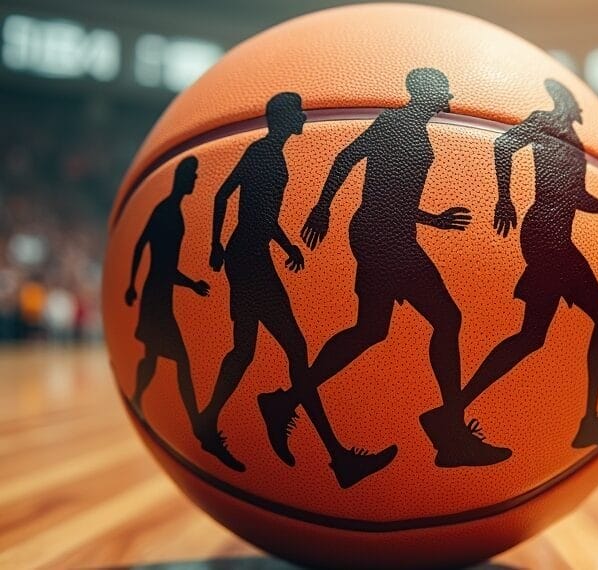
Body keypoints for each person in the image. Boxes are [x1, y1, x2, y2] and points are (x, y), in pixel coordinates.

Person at [259, 68, 511, 482]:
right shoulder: (397, 123)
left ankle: (285, 401)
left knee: (373, 329)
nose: (449, 93)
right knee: (443, 320)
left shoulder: (411, 127)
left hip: (389, 232)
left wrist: (433, 218)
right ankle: (449, 431)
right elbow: (347, 159)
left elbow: (390, 192)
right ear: (425, 92)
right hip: (383, 236)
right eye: (441, 87)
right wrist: (323, 206)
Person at [423, 79, 598, 456]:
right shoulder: (544, 122)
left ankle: (449, 413)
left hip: (554, 234)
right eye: (575, 107)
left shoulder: (567, 137)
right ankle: (584, 423)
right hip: (546, 233)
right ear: (564, 105)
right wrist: (504, 198)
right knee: (597, 316)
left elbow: (574, 193)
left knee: (534, 336)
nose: (580, 114)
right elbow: (503, 144)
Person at [198, 93, 309, 473]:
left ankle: (208, 420)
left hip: (250, 253)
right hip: (248, 258)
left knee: (245, 350)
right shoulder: (263, 153)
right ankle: (332, 452)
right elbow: (222, 194)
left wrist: (286, 244)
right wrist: (214, 243)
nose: (305, 117)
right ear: (283, 118)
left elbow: (261, 213)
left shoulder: (271, 154)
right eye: (298, 112)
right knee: (295, 346)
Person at [125, 156, 209, 430]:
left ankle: (137, 398)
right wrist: (130, 285)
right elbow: (157, 260)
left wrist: (133, 285)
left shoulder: (169, 209)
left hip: (156, 292)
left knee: (152, 356)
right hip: (158, 296)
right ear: (182, 178)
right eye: (193, 175)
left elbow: (144, 249)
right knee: (182, 361)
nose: (196, 179)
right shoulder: (169, 212)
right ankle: (197, 421)